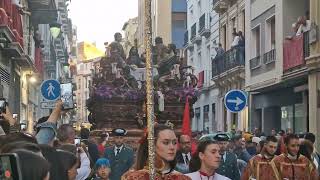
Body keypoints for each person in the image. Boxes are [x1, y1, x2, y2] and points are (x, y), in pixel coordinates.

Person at [122, 124, 191, 180]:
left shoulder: (183, 178)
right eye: (166, 143)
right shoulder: (134, 177)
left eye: (174, 143)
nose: (172, 147)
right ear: (153, 145)